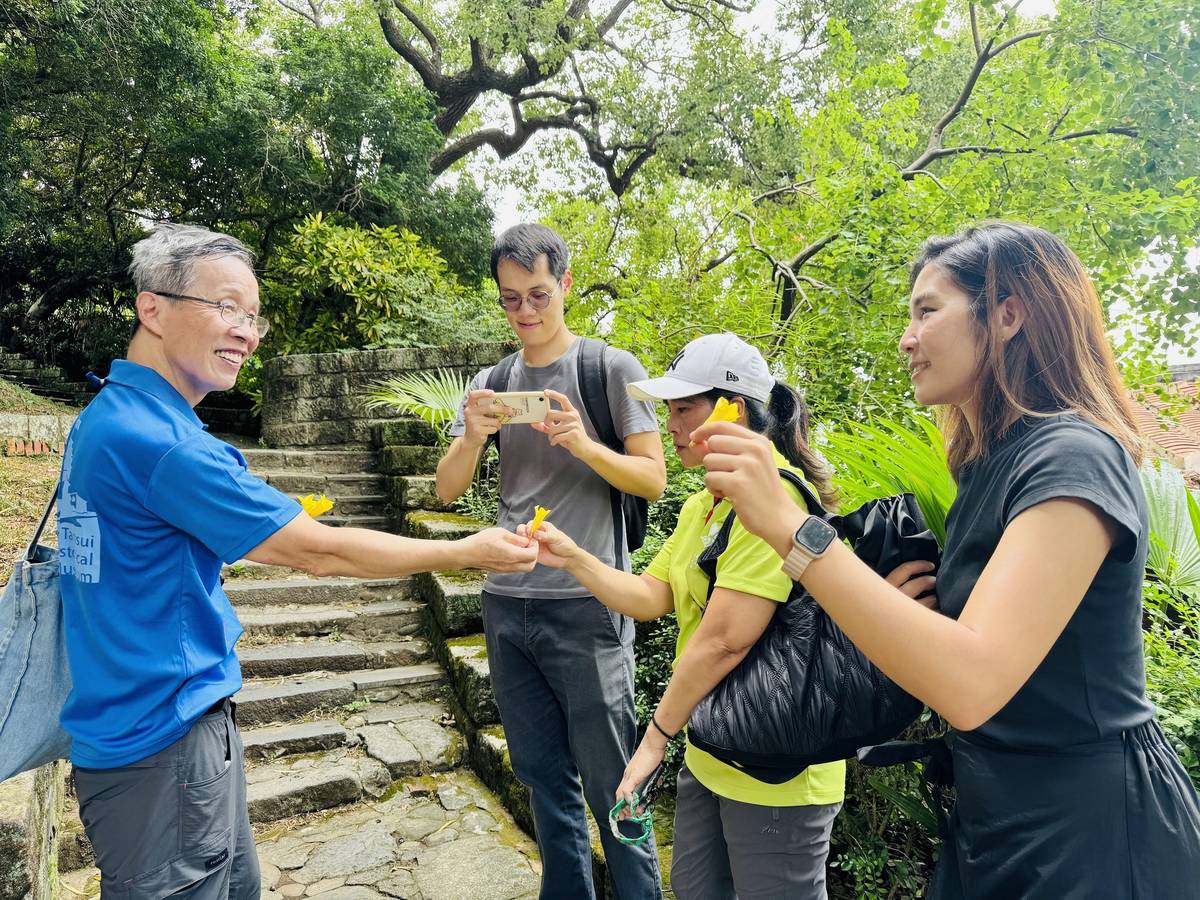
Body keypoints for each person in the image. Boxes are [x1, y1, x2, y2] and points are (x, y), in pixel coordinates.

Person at [691, 223, 1200, 898]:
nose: (907, 339)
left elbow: (972, 681)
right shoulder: (991, 465)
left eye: (926, 311)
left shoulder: (1073, 457)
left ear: (1008, 315)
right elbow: (968, 659)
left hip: (1095, 835)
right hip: (999, 818)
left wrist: (794, 531)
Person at [58, 224, 538, 900]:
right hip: (160, 741)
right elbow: (321, 550)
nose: (246, 333)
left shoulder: (105, 414)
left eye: (254, 317)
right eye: (226, 307)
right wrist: (467, 549)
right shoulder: (162, 445)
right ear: (153, 309)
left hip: (142, 724)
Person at [524, 332, 937, 899]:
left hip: (779, 768)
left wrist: (654, 739)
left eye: (683, 408)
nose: (669, 425)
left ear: (731, 409)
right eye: (667, 409)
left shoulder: (773, 503)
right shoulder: (704, 503)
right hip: (714, 744)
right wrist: (570, 557)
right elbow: (651, 595)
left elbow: (725, 640)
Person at [435, 223, 667, 898]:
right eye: (510, 299)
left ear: (565, 285)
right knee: (542, 780)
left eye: (538, 294)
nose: (526, 312)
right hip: (508, 607)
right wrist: (474, 434)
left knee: (616, 785)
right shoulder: (492, 382)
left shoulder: (609, 369)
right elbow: (447, 488)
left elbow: (652, 478)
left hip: (588, 608)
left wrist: (585, 444)